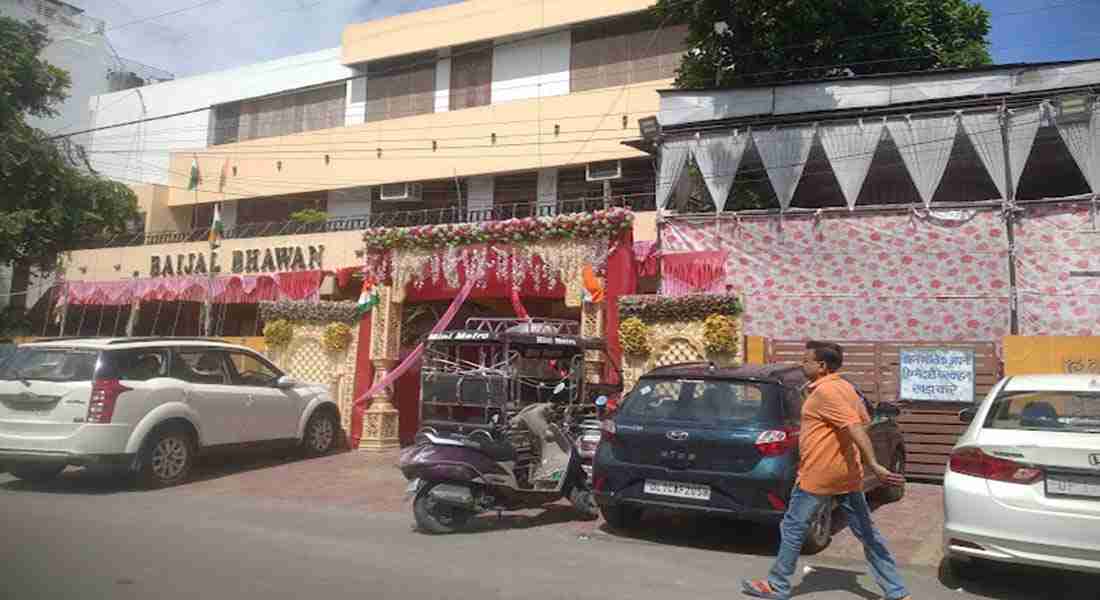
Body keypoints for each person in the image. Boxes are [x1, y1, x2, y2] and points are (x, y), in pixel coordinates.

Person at [742, 341, 910, 600]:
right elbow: (863, 422)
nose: (802, 363)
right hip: (846, 474)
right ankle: (896, 592)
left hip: (818, 475)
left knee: (793, 527)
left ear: (821, 365)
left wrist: (875, 464)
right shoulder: (845, 388)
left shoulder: (826, 393)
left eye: (806, 360)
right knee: (867, 533)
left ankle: (778, 585)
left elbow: (853, 427)